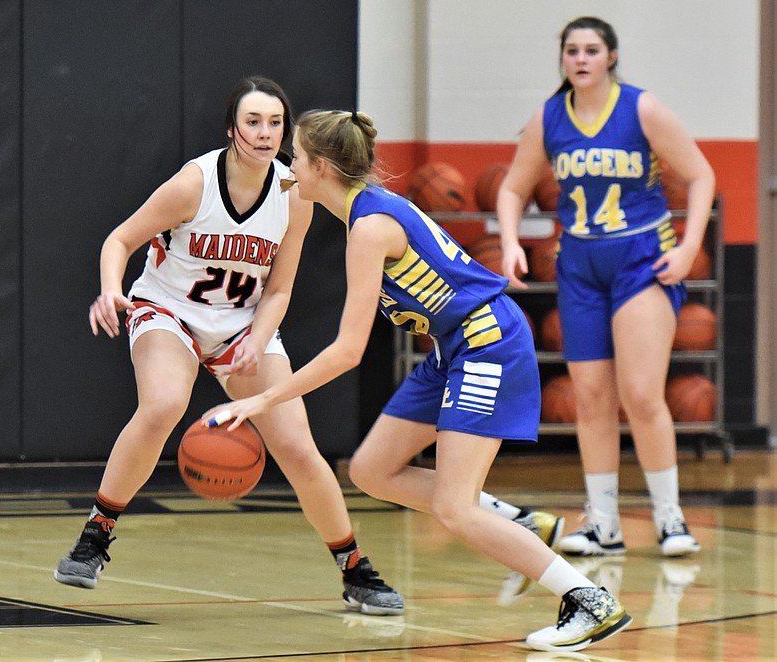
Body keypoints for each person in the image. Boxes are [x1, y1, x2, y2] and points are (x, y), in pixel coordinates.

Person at [204, 109, 631, 652]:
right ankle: (520, 523)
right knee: (373, 470)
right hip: (455, 347)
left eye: (296, 156)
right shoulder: (364, 211)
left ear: (322, 168)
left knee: (455, 506)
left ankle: (589, 600)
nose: (290, 164)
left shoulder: (369, 229)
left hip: (487, 345)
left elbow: (348, 351)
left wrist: (262, 398)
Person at [53, 76, 413, 615]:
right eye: (253, 122)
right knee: (164, 404)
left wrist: (259, 340)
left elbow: (282, 286)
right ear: (231, 129)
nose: (265, 133)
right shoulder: (193, 183)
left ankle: (354, 567)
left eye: (275, 123)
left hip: (243, 322)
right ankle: (96, 535)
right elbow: (120, 240)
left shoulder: (296, 197)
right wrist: (110, 291)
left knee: (296, 446)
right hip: (167, 310)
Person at [495, 16, 713, 558]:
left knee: (640, 394)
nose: (582, 58)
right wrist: (511, 242)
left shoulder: (642, 109)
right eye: (572, 50)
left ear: (611, 56)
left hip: (642, 260)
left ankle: (670, 518)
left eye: (592, 49)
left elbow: (702, 175)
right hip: (580, 265)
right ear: (563, 59)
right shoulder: (550, 117)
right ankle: (603, 525)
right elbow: (512, 187)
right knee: (592, 399)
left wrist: (687, 248)